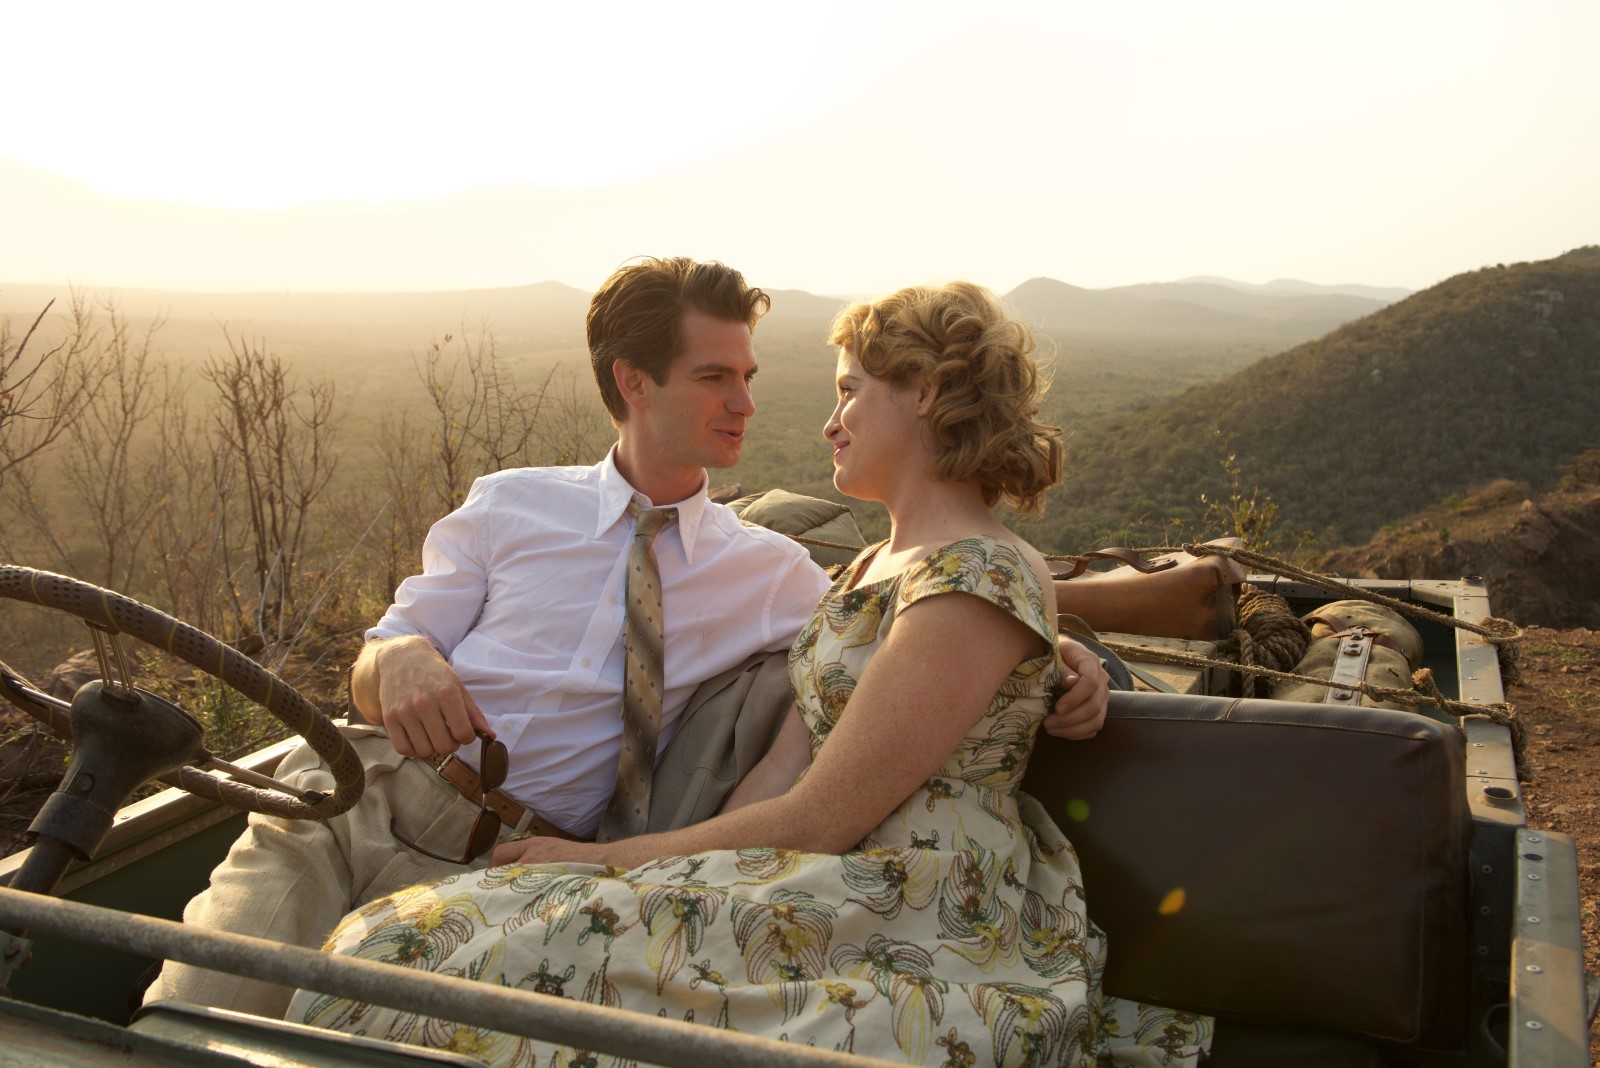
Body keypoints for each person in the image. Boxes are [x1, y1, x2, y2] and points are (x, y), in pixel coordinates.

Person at [149, 260, 1112, 1019]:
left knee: (358, 1013)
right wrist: (394, 655)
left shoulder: (776, 574)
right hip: (360, 800)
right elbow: (378, 664)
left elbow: (932, 630)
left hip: (521, 852)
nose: (748, 403)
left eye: (749, 377)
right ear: (632, 381)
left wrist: (1061, 654)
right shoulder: (510, 504)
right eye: (715, 377)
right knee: (188, 1017)